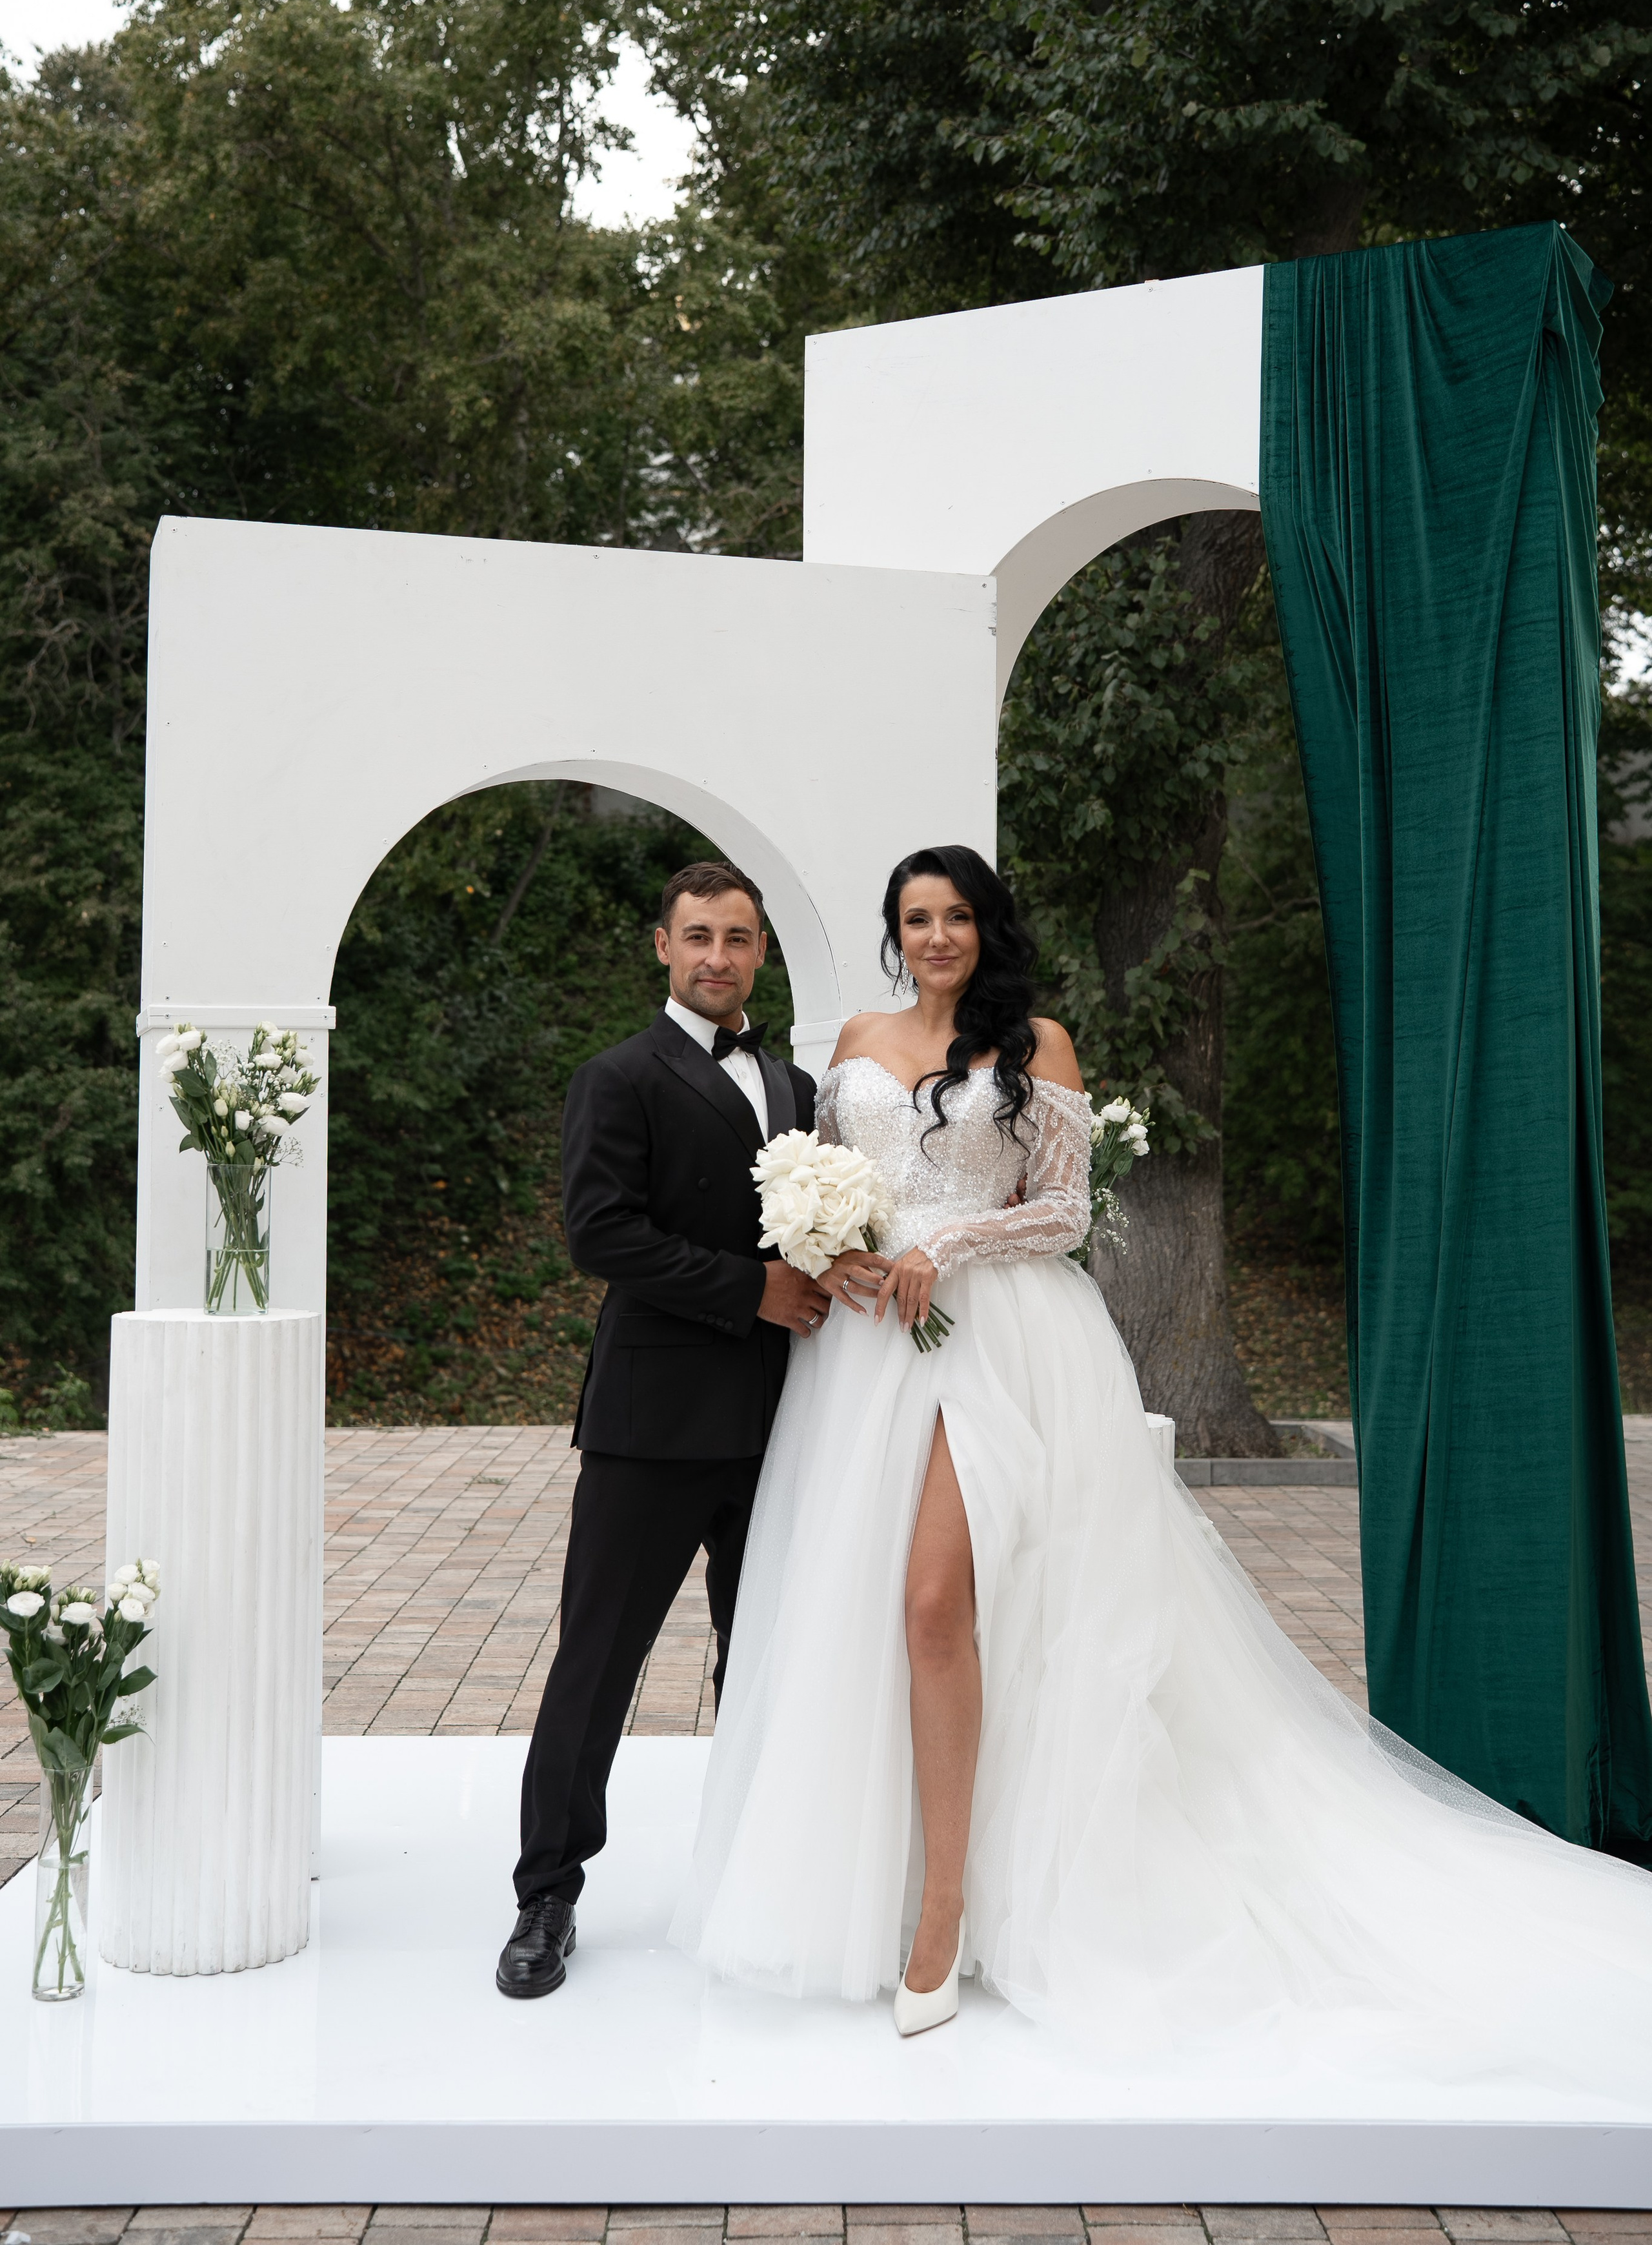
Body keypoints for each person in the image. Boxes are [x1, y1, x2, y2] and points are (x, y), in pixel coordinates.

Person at [670, 844, 1652, 2091]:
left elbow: (1067, 1211)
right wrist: (845, 1248)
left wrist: (951, 1239)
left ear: (988, 927)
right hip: (867, 1361)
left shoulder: (1039, 1042)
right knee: (871, 1617)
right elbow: (835, 1188)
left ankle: (951, 1908)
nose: (936, 937)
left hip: (1003, 1341)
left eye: (957, 916)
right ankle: (884, 1886)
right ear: (892, 932)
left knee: (937, 1606)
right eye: (916, 918)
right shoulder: (856, 1034)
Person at [496, 859, 827, 2000]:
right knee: (597, 1660)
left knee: (765, 1657)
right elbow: (601, 1235)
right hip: (651, 1419)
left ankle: (752, 1871)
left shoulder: (794, 1086)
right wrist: (752, 1290)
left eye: (738, 938)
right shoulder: (617, 1077)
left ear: (761, 951)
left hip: (780, 1420)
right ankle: (547, 1891)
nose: (718, 956)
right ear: (663, 945)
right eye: (699, 936)